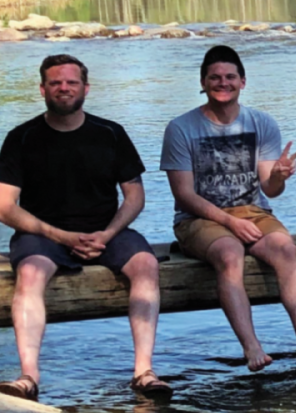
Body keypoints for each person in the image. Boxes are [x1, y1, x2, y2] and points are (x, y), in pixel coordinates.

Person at [0, 55, 172, 401]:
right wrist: (58, 235)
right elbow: (4, 206)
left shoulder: (110, 134)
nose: (64, 88)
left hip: (106, 230)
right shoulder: (21, 138)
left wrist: (107, 234)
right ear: (42, 89)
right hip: (44, 234)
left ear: (86, 88)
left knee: (146, 264)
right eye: (55, 82)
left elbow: (135, 196)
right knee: (31, 272)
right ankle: (28, 376)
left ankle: (144, 371)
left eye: (71, 82)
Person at [161, 45, 296, 372]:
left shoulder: (261, 122)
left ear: (243, 81)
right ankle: (251, 346)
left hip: (253, 212)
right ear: (203, 82)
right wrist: (229, 222)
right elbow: (183, 195)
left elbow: (270, 188)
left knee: (285, 248)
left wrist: (280, 176)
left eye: (230, 77)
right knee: (229, 254)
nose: (222, 83)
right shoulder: (181, 128)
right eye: (214, 77)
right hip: (198, 217)